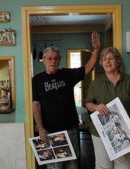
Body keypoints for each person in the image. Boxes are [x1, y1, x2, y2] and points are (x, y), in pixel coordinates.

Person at [32, 31, 100, 169]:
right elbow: (36, 104)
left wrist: (97, 49)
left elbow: (87, 68)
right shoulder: (37, 80)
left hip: (71, 129)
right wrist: (40, 128)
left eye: (56, 58)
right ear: (43, 60)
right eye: (49, 58)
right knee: (54, 166)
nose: (53, 61)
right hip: (51, 131)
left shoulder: (67, 74)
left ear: (60, 59)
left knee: (72, 164)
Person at [84, 47, 130, 169]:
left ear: (118, 61)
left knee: (124, 166)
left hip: (123, 132)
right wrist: (96, 107)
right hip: (100, 133)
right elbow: (87, 104)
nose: (107, 61)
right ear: (101, 63)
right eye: (104, 59)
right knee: (103, 166)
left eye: (111, 58)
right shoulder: (96, 83)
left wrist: (124, 117)